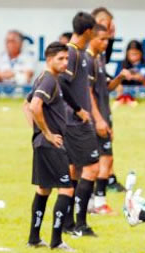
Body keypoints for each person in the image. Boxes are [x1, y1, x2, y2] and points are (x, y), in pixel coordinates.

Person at [21, 42, 73, 251]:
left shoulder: (44, 78)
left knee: (44, 189)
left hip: (42, 143)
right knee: (67, 189)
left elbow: (26, 105)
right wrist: (47, 133)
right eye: (60, 58)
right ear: (49, 59)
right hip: (51, 143)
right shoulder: (49, 80)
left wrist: (36, 132)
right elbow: (34, 106)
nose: (65, 62)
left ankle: (34, 238)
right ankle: (57, 240)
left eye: (66, 58)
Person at [59, 12, 100, 237]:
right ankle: (81, 224)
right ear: (87, 31)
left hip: (73, 122)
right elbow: (62, 83)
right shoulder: (73, 53)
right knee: (92, 167)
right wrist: (79, 110)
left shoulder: (80, 53)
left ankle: (68, 223)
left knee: (74, 170)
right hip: (75, 122)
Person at [86, 24, 127, 215]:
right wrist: (99, 120)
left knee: (104, 161)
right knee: (101, 161)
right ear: (91, 37)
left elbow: (103, 89)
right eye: (101, 39)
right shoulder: (87, 60)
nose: (105, 43)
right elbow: (88, 94)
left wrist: (118, 79)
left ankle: (93, 201)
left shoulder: (99, 59)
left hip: (104, 115)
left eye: (107, 40)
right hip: (96, 118)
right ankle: (98, 202)